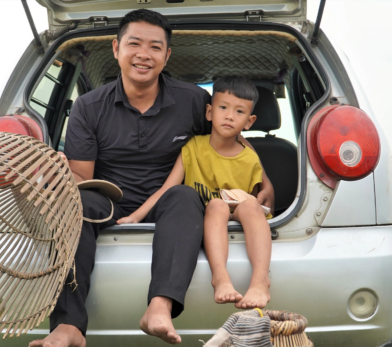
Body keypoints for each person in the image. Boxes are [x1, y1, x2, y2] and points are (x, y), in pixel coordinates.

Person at [30, 9, 274, 347]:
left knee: (186, 197)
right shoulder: (88, 106)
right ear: (116, 48)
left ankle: (159, 306)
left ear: (167, 55)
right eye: (134, 44)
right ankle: (69, 325)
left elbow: (226, 140)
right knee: (78, 201)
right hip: (108, 199)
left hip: (171, 203)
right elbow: (81, 176)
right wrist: (55, 170)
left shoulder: (192, 101)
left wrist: (264, 184)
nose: (144, 55)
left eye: (155, 47)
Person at [117, 75, 272, 310]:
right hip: (205, 217)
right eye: (223, 108)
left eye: (239, 112)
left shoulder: (250, 158)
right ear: (209, 113)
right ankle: (220, 277)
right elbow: (168, 188)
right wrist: (136, 216)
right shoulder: (192, 148)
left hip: (238, 216)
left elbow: (255, 202)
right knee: (216, 205)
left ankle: (260, 281)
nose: (229, 116)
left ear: (249, 122)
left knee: (249, 205)